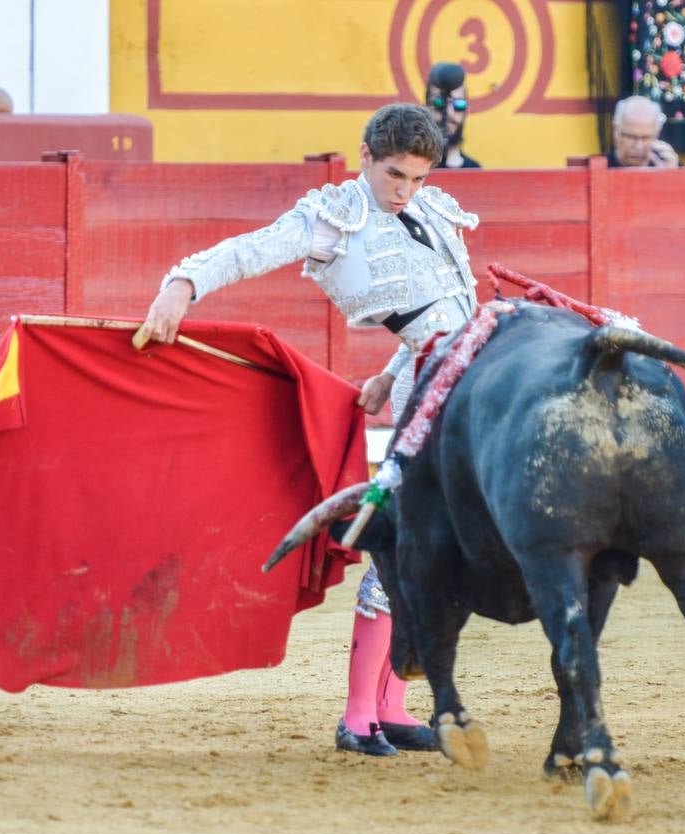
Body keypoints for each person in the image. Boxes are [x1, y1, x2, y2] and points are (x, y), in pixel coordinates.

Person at [140, 103, 480, 757]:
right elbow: (249, 252)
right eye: (395, 174)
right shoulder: (333, 219)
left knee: (432, 552)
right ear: (364, 156)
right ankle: (358, 717)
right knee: (402, 549)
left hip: (451, 371)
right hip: (430, 394)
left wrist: (389, 365)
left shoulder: (434, 211)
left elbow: (450, 306)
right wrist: (182, 284)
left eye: (418, 177)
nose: (406, 190)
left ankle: (391, 704)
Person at [425, 61, 479, 169]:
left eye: (458, 105)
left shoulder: (474, 170)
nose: (449, 112)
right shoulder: (412, 171)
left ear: (467, 110)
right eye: (439, 103)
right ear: (426, 108)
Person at [608, 96, 680, 169]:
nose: (638, 146)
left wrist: (671, 176)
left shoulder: (670, 165)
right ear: (616, 131)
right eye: (630, 137)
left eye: (646, 138)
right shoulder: (600, 167)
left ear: (657, 133)